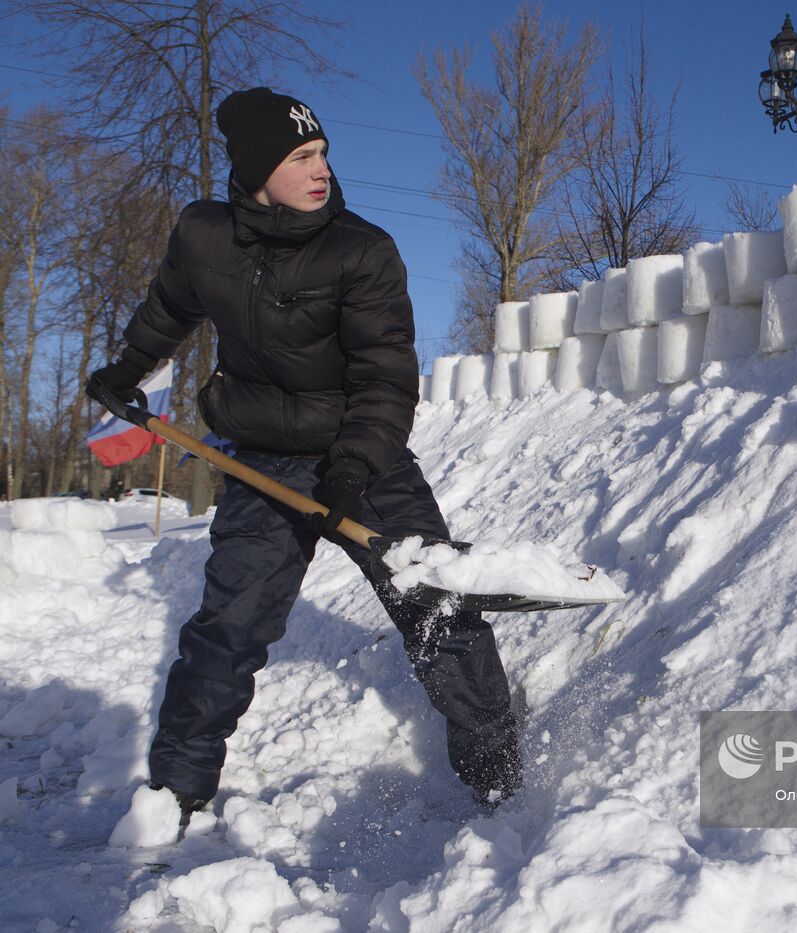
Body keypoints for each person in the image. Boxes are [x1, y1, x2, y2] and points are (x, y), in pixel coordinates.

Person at [84, 87, 521, 818]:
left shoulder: (362, 250)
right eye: (300, 156)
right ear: (258, 169)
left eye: (322, 152)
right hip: (259, 457)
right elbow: (170, 307)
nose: (321, 169)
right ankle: (175, 795)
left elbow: (385, 379)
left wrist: (352, 470)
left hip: (359, 452)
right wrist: (124, 372)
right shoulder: (203, 235)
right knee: (227, 626)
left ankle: (498, 777)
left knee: (438, 607)